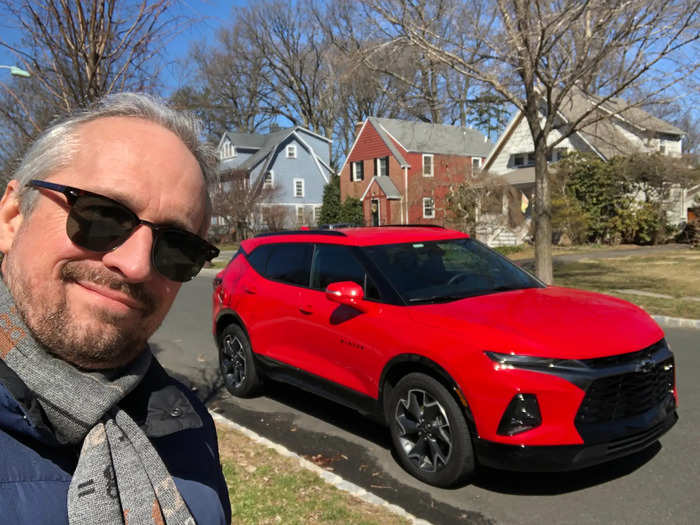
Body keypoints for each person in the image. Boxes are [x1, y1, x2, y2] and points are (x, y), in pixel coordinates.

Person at [0, 93, 231, 524]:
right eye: (101, 215)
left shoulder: (190, 429)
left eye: (177, 246)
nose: (136, 265)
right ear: (13, 218)